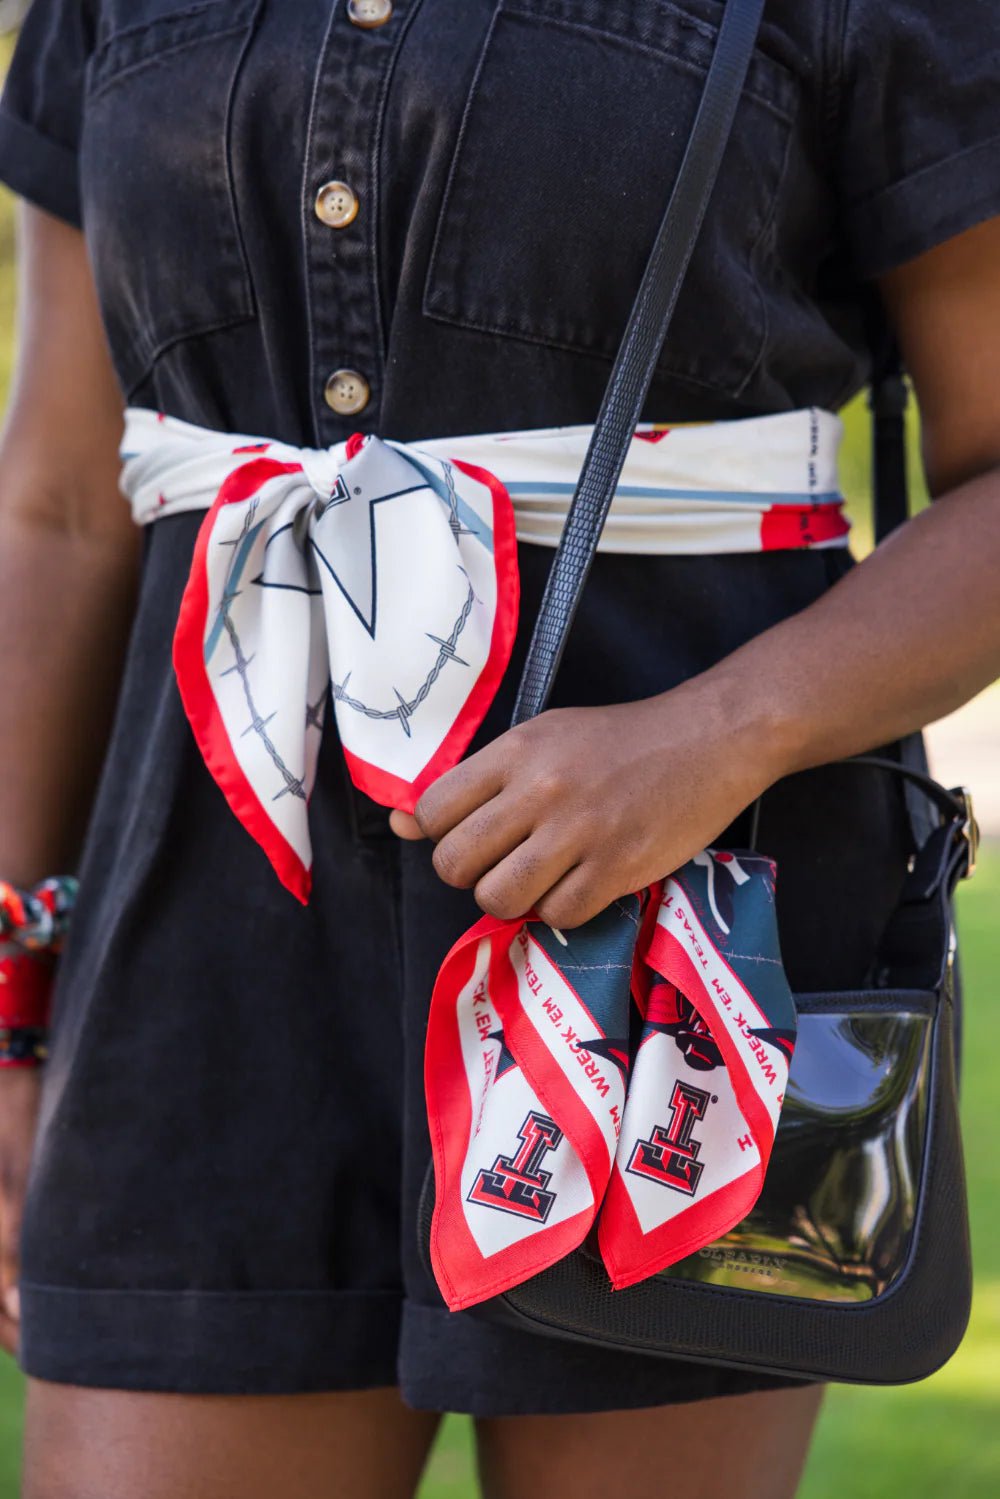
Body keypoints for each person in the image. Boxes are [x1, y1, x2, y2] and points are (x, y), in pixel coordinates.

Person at [0, 2, 998, 1495]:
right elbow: (64, 504)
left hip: (680, 944)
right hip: (201, 951)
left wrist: (718, 736)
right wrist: (10, 1000)